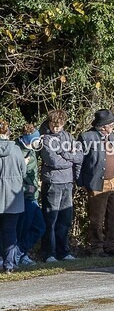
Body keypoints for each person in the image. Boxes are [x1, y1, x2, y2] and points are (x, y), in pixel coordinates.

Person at [39, 110, 83, 262]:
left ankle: (63, 251)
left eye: (59, 126)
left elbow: (79, 155)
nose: (55, 128)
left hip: (67, 181)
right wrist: (69, 158)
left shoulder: (68, 136)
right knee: (50, 219)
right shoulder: (45, 139)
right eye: (53, 125)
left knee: (65, 218)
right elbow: (53, 161)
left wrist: (65, 155)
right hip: (52, 182)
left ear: (63, 124)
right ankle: (48, 253)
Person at [77, 109, 114, 257]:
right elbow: (78, 162)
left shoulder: (111, 136)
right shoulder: (87, 137)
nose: (113, 126)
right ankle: (96, 248)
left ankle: (111, 246)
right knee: (97, 217)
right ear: (103, 126)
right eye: (111, 124)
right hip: (97, 182)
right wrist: (81, 182)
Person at [15, 126, 44, 266]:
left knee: (40, 227)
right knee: (22, 228)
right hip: (24, 197)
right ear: (28, 140)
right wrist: (27, 188)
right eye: (36, 139)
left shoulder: (31, 151)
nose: (38, 142)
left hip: (33, 197)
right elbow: (12, 178)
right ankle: (18, 255)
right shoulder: (17, 151)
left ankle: (19, 252)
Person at [0, 121, 27, 274]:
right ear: (8, 133)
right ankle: (9, 265)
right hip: (12, 199)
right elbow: (23, 172)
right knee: (10, 231)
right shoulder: (17, 150)